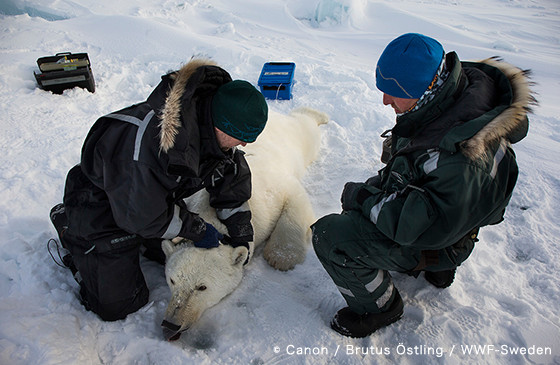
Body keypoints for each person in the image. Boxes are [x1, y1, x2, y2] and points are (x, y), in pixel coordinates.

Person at [311, 33, 534, 338]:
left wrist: (362, 197)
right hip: (457, 223)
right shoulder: (458, 97)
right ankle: (438, 265)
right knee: (389, 198)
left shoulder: (458, 155)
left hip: (440, 230)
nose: (386, 101)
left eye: (395, 92)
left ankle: (382, 305)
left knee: (331, 236)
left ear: (428, 86)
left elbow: (413, 224)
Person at [49, 58, 268, 321]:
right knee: (120, 305)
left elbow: (230, 180)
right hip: (99, 202)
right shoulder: (151, 143)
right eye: (242, 137)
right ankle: (70, 226)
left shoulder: (210, 133)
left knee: (172, 253)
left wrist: (241, 229)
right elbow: (141, 214)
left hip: (149, 201)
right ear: (221, 125)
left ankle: (132, 240)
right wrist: (196, 228)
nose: (244, 144)